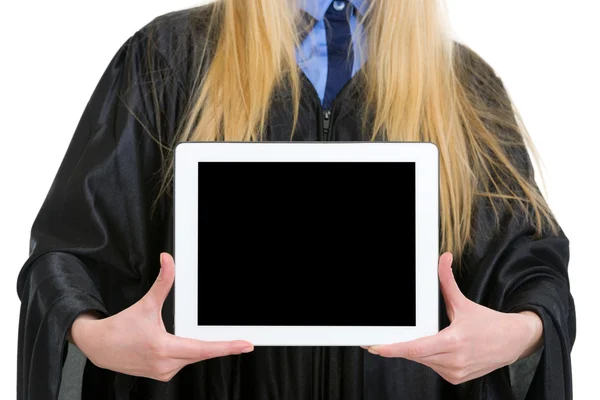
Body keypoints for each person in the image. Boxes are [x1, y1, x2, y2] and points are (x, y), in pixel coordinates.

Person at [16, 1, 576, 399]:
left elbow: (533, 273)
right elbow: (67, 254)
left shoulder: (463, 88)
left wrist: (518, 334)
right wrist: (94, 335)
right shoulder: (166, 61)